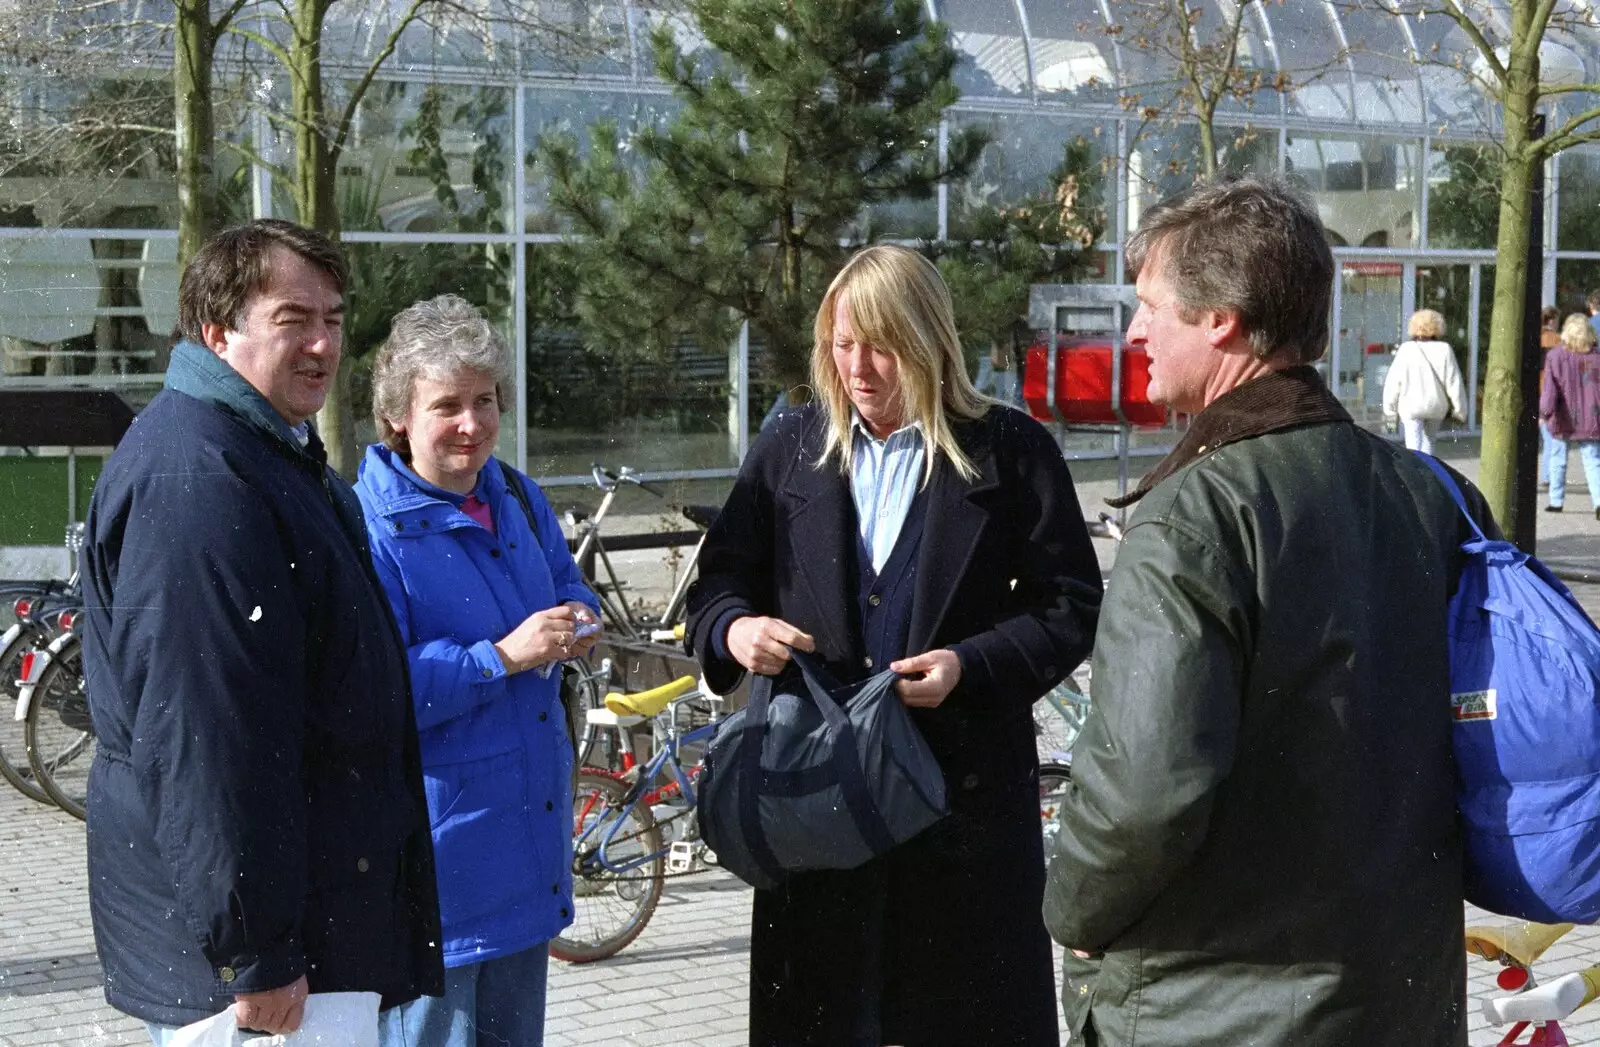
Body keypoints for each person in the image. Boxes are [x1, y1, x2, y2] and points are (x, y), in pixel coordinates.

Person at [1044, 177, 1480, 1046]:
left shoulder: (1190, 517)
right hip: (1400, 992)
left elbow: (1144, 792)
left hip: (1213, 1003)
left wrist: (1073, 910)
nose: (1133, 332)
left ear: (1221, 320)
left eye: (1149, 307)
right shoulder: (1431, 494)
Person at [685, 244, 1102, 1047]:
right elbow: (716, 588)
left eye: (881, 346)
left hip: (963, 818)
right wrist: (736, 629)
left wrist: (969, 664)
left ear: (930, 341)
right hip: (817, 815)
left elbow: (1071, 605)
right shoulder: (789, 449)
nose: (859, 369)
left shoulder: (1011, 452)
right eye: (843, 345)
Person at [78, 220, 444, 1043]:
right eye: (293, 320)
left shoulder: (262, 453)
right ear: (218, 330)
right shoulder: (203, 481)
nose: (322, 343)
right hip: (258, 973)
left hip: (294, 933)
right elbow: (208, 734)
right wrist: (257, 950)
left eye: (336, 319)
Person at [354, 295, 602, 1047]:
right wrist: (500, 657)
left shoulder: (519, 495)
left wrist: (582, 621)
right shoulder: (367, 526)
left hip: (528, 854)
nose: (472, 423)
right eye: (447, 405)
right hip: (441, 880)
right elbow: (373, 689)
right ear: (399, 415)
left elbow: (570, 586)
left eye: (485, 400)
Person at [1381, 307, 1466, 454]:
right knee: (1429, 442)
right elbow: (1454, 382)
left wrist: (1389, 409)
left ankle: (1415, 472)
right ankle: (1428, 470)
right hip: (1436, 406)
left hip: (1411, 406)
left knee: (1413, 445)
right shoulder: (1445, 349)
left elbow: (1393, 382)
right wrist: (1460, 410)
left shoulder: (1406, 349)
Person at [1541, 312, 1600, 519]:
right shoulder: (1597, 356)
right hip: (1592, 418)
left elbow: (1550, 390)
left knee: (1558, 458)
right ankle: (1599, 502)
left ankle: (1556, 501)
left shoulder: (1555, 357)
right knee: (1593, 461)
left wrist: (1544, 412)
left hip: (1563, 416)